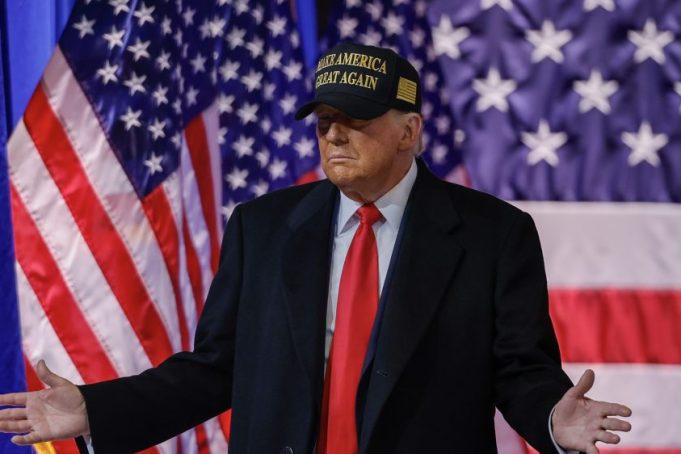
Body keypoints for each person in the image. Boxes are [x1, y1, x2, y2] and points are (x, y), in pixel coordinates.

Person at [0, 42, 630, 454]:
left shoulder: (495, 234)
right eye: (325, 120)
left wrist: (555, 422)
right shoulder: (263, 228)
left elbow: (520, 370)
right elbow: (215, 369)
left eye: (355, 119)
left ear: (410, 130)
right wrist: (94, 410)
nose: (333, 134)